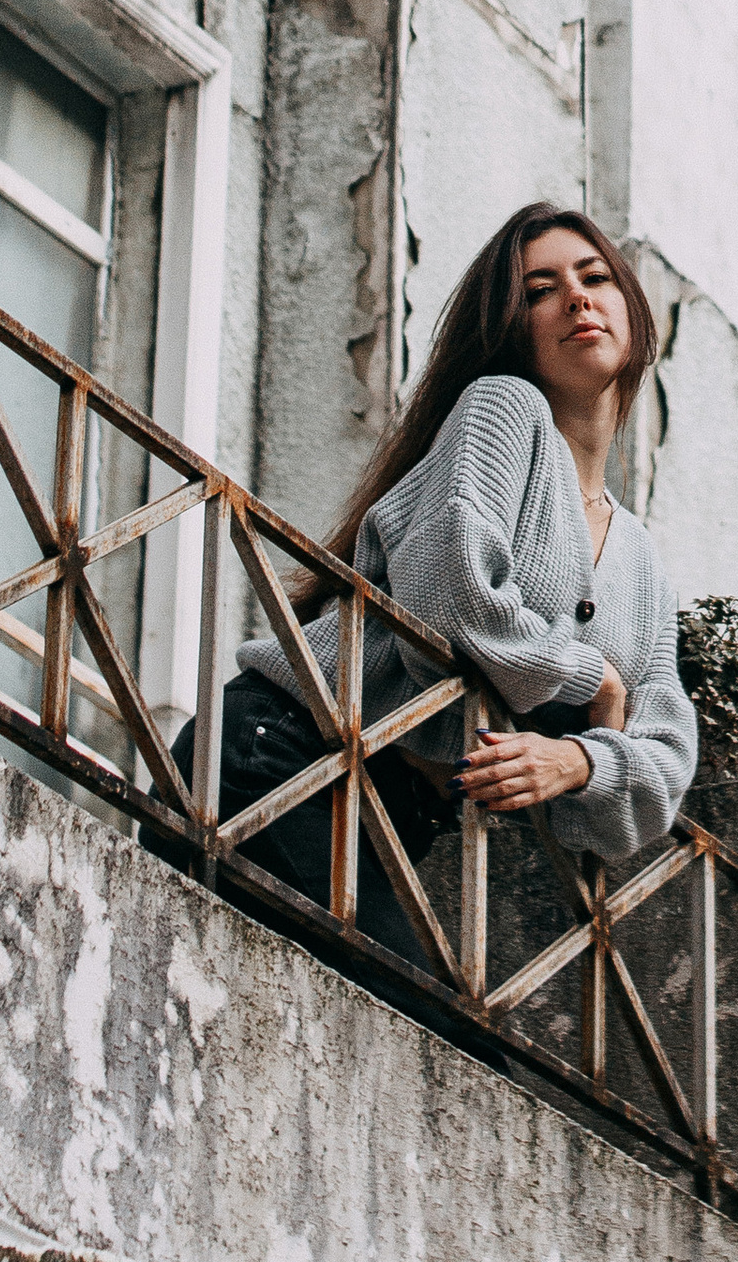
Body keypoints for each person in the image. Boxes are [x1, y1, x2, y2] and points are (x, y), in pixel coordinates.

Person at [175, 205, 698, 1034]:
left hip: (386, 818)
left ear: (633, 310)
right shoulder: (502, 412)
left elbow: (665, 763)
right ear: (511, 327)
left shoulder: (641, 559)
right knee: (439, 1039)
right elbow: (448, 595)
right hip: (280, 754)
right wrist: (591, 680)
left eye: (595, 279)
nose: (576, 299)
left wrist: (580, 762)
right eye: (541, 290)